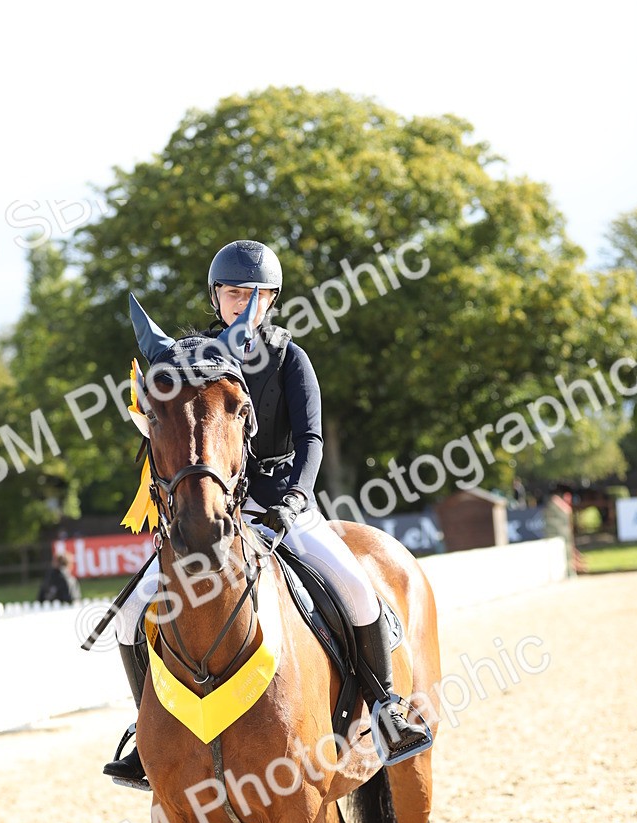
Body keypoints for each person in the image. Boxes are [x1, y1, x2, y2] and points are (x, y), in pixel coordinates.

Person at [105, 239, 429, 785]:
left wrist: (294, 502)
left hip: (282, 501)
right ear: (217, 297)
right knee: (130, 615)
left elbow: (312, 440)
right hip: (213, 506)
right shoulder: (193, 359)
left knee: (356, 588)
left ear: (273, 299)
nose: (246, 303)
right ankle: (147, 733)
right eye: (235, 293)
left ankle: (386, 706)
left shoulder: (288, 357)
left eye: (259, 294)